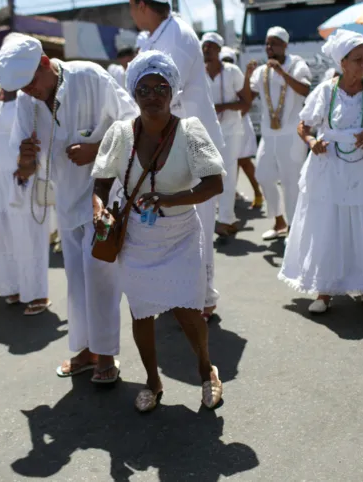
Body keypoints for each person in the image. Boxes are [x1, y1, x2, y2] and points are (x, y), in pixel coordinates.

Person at [0, 33, 138, 381]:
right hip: (65, 200)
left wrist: (97, 149)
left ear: (46, 63)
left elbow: (133, 121)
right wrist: (26, 161)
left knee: (98, 275)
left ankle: (105, 354)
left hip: (103, 195)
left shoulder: (89, 76)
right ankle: (85, 350)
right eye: (22, 89)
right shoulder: (27, 103)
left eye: (31, 83)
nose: (29, 92)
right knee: (76, 281)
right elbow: (23, 163)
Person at [92, 50, 225, 411]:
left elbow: (214, 184)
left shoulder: (191, 131)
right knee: (142, 313)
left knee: (188, 311)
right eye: (144, 89)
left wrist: (169, 198)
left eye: (160, 88)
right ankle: (153, 381)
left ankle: (206, 372)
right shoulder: (120, 133)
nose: (152, 96)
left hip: (181, 234)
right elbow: (101, 182)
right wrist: (100, 210)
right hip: (137, 237)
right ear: (134, 94)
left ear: (172, 92)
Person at [279, 30, 363, 313]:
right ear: (343, 62)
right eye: (359, 59)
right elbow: (304, 125)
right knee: (329, 225)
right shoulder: (326, 91)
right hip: (331, 168)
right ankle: (324, 291)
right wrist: (312, 142)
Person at [130, 0, 225, 320]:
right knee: (171, 220)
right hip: (167, 142)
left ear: (141, 4)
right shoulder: (154, 37)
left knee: (198, 222)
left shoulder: (177, 36)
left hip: (191, 141)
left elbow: (165, 92)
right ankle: (179, 293)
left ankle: (204, 298)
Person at [0, 39, 52, 315]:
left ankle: (37, 293)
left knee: (27, 233)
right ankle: (12, 285)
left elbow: (36, 132)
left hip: (22, 172)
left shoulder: (27, 92)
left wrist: (27, 165)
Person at [245, 27, 311, 242]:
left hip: (292, 135)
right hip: (269, 134)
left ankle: (294, 228)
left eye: (273, 43)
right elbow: (248, 98)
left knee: (291, 181)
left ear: (284, 45)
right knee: (263, 176)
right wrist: (247, 76)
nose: (268, 47)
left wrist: (282, 73)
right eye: (267, 43)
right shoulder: (261, 71)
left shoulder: (297, 64)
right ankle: (279, 221)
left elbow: (305, 89)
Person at [202, 33, 247, 237]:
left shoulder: (232, 71)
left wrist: (222, 107)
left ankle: (226, 219)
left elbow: (245, 102)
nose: (207, 50)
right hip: (206, 132)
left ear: (219, 50)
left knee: (227, 174)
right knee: (208, 175)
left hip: (230, 131)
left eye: (211, 47)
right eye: (204, 47)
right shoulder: (197, 74)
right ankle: (211, 219)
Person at [220, 46, 262, 208]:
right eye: (224, 61)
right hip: (225, 128)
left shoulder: (242, 80)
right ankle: (232, 194)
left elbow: (245, 106)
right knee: (230, 163)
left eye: (230, 61)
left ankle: (258, 194)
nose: (227, 64)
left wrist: (226, 107)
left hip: (241, 126)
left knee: (243, 161)